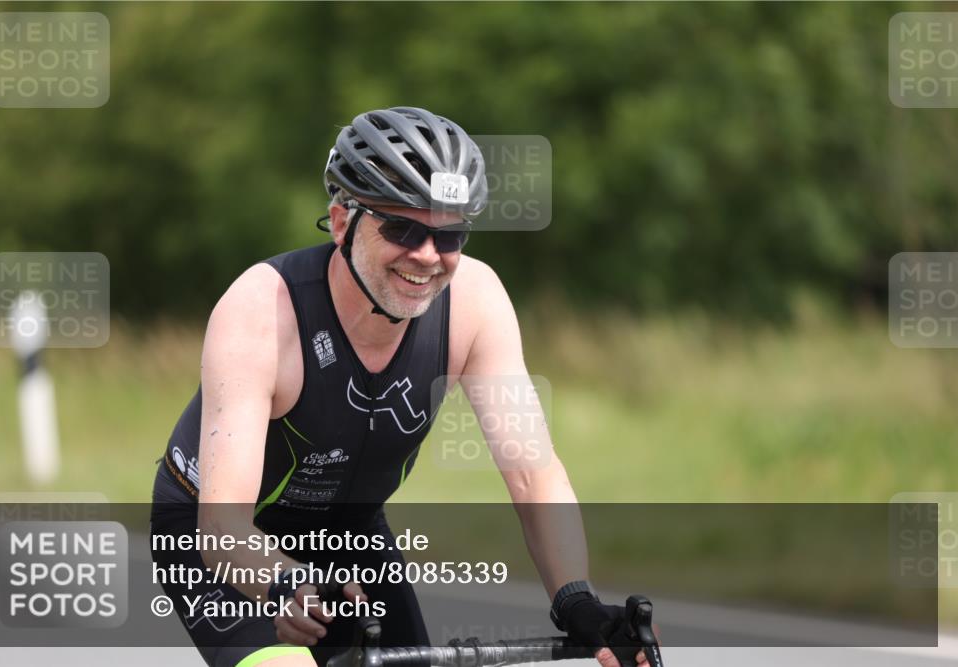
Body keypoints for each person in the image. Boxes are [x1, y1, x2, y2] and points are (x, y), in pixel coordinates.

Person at [150, 106, 655, 667]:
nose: (427, 256)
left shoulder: (476, 303)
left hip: (349, 532)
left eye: (450, 236)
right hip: (216, 539)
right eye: (402, 229)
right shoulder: (262, 311)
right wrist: (285, 583)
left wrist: (577, 601)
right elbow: (222, 526)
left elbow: (532, 473)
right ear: (342, 222)